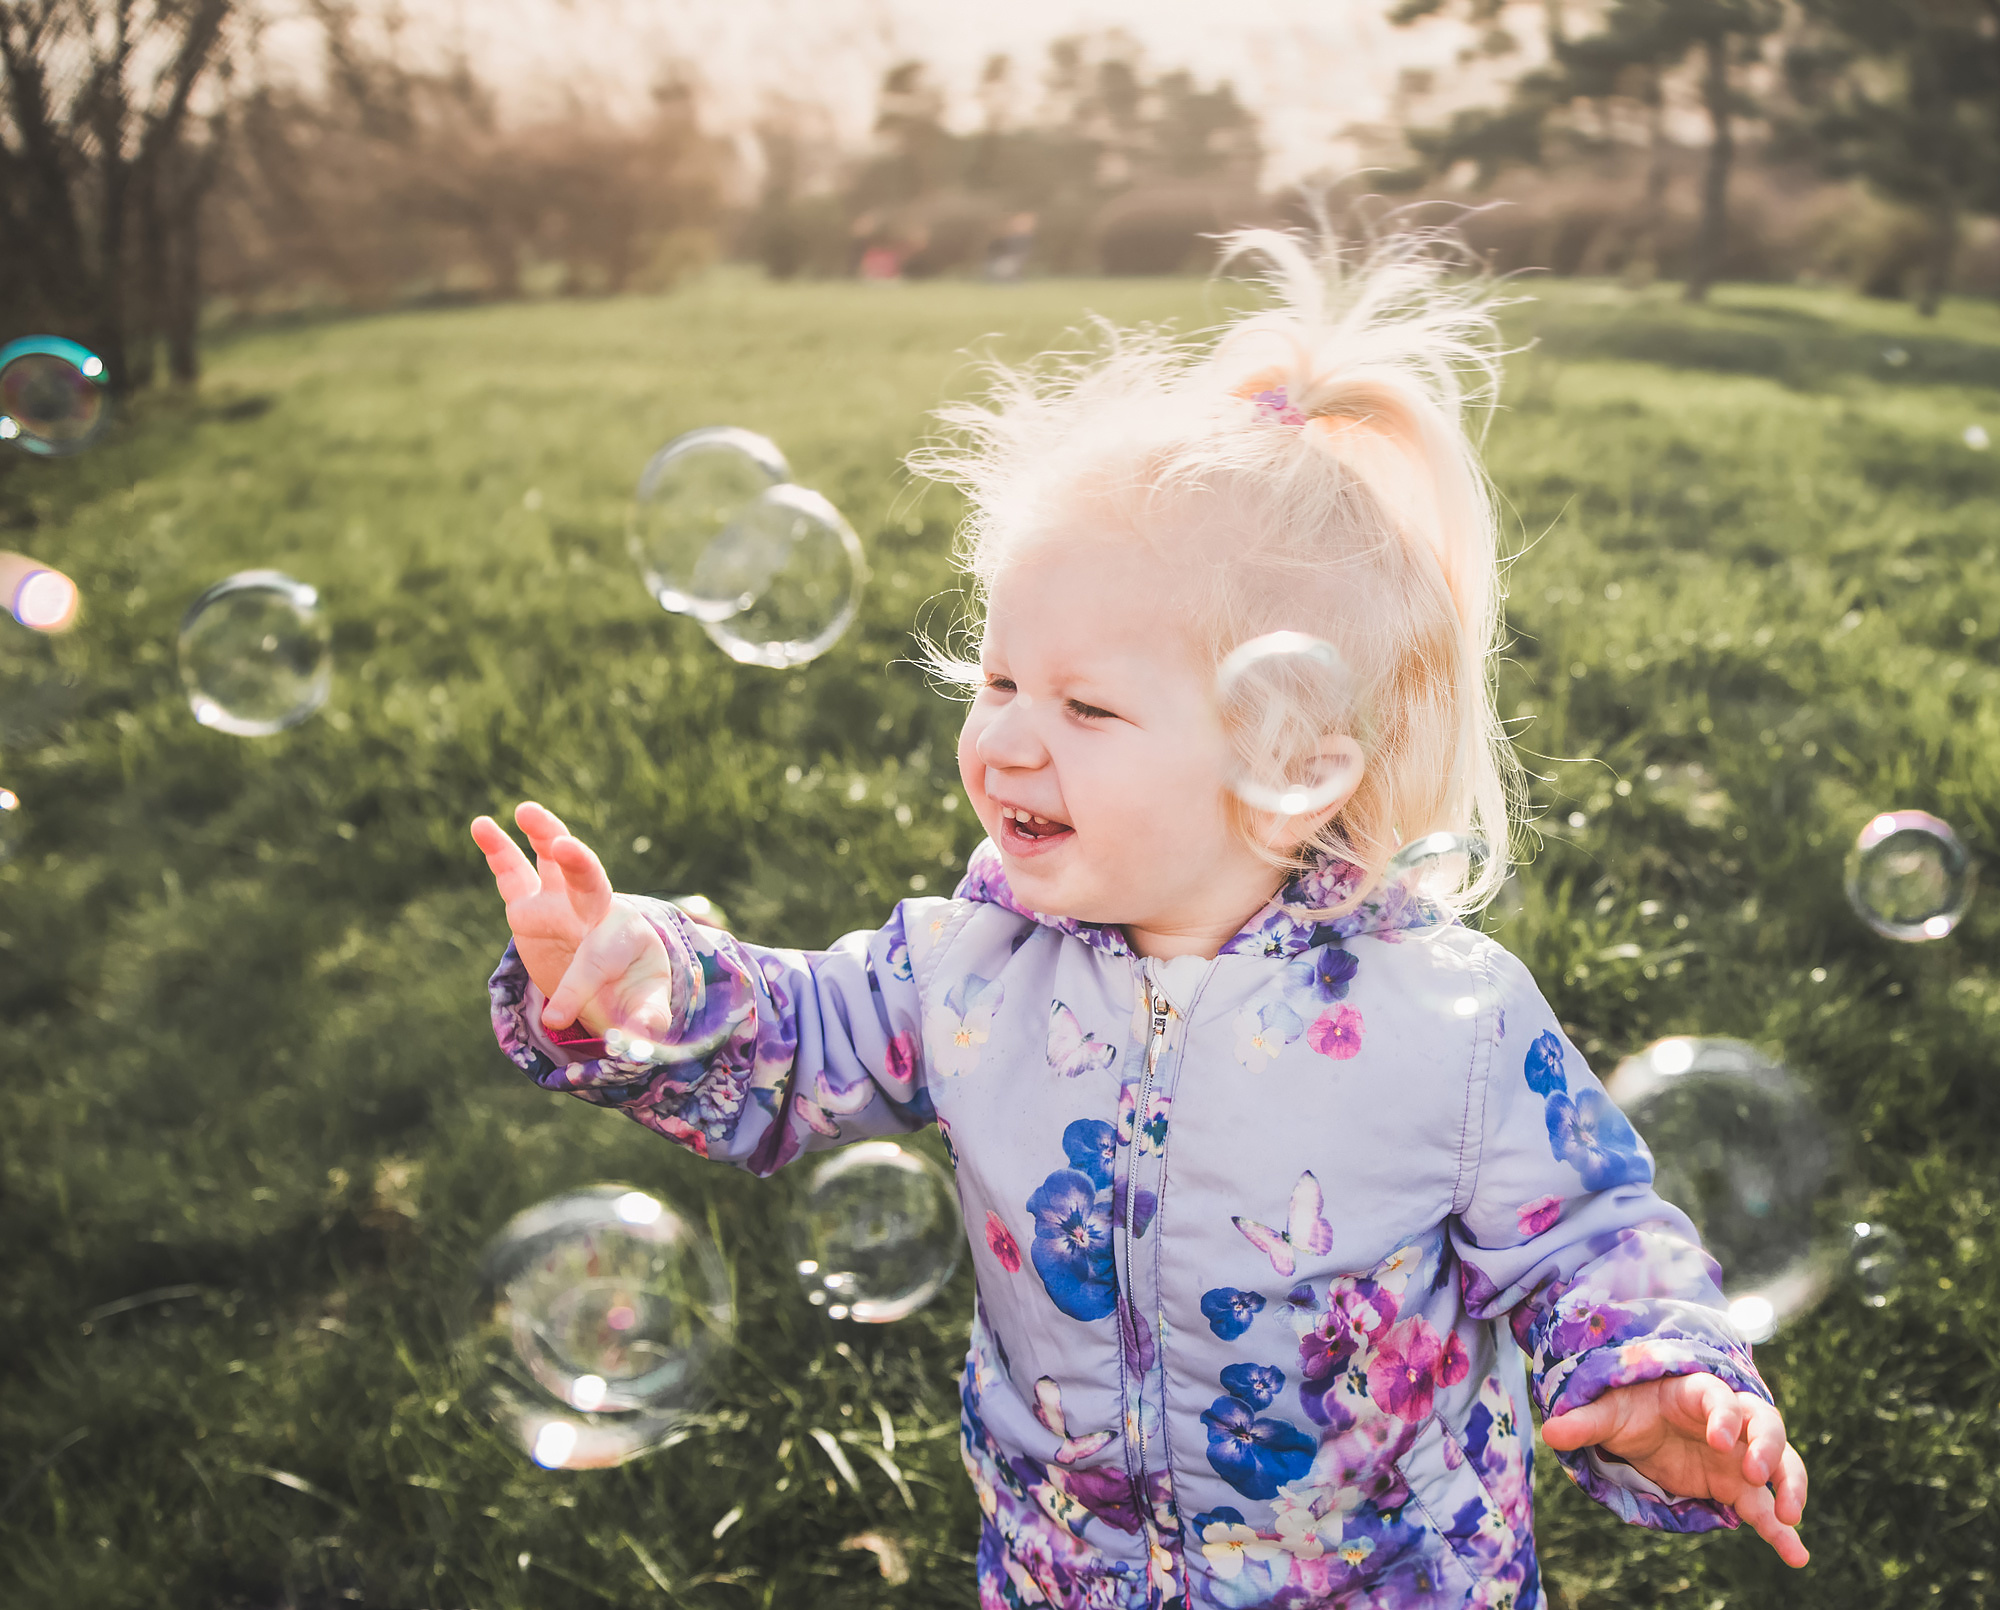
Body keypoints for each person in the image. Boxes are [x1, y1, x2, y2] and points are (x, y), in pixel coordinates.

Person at [468, 221, 1809, 1609]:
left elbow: (1591, 1232)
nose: (1005, 740)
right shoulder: (965, 967)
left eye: (1088, 707)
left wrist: (1657, 1373)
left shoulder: (1447, 1020)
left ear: (1288, 762)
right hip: (1068, 1571)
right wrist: (635, 981)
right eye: (997, 682)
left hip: (1389, 1581)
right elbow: (794, 1039)